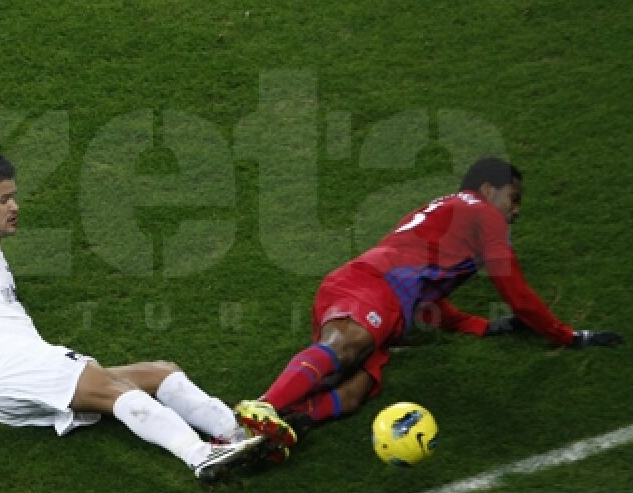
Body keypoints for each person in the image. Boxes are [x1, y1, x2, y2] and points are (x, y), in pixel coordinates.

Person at [234, 157, 623, 458]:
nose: (516, 212)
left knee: (356, 390)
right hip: (369, 286)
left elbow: (426, 297)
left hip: (385, 302)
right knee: (346, 344)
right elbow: (516, 291)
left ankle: (280, 429)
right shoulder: (482, 214)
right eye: (514, 199)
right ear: (489, 190)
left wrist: (482, 328)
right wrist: (568, 337)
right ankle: (266, 405)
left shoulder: (451, 215)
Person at [0, 152, 259, 483]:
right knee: (112, 390)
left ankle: (240, 432)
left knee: (162, 372)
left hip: (19, 368)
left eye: (13, 197)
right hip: (13, 364)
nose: (15, 207)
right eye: (4, 200)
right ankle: (201, 456)